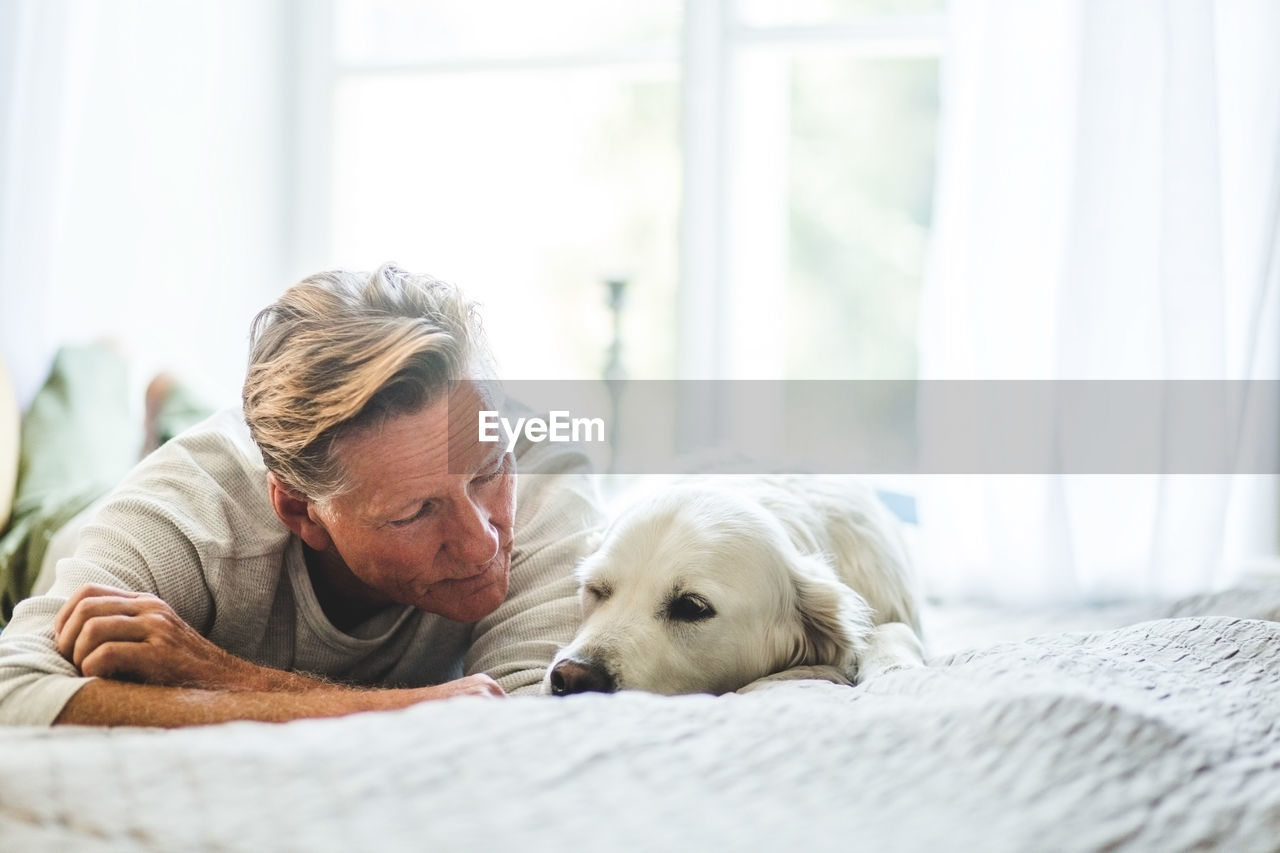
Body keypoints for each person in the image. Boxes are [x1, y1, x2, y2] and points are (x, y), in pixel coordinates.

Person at [0, 265, 603, 727]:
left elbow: (528, 725)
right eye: (415, 511)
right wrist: (409, 709)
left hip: (277, 456)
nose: (482, 545)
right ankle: (99, 363)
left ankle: (176, 394)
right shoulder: (194, 512)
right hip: (65, 524)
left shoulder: (544, 470)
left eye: (487, 473)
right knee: (62, 474)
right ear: (298, 510)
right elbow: (15, 691)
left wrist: (215, 675)